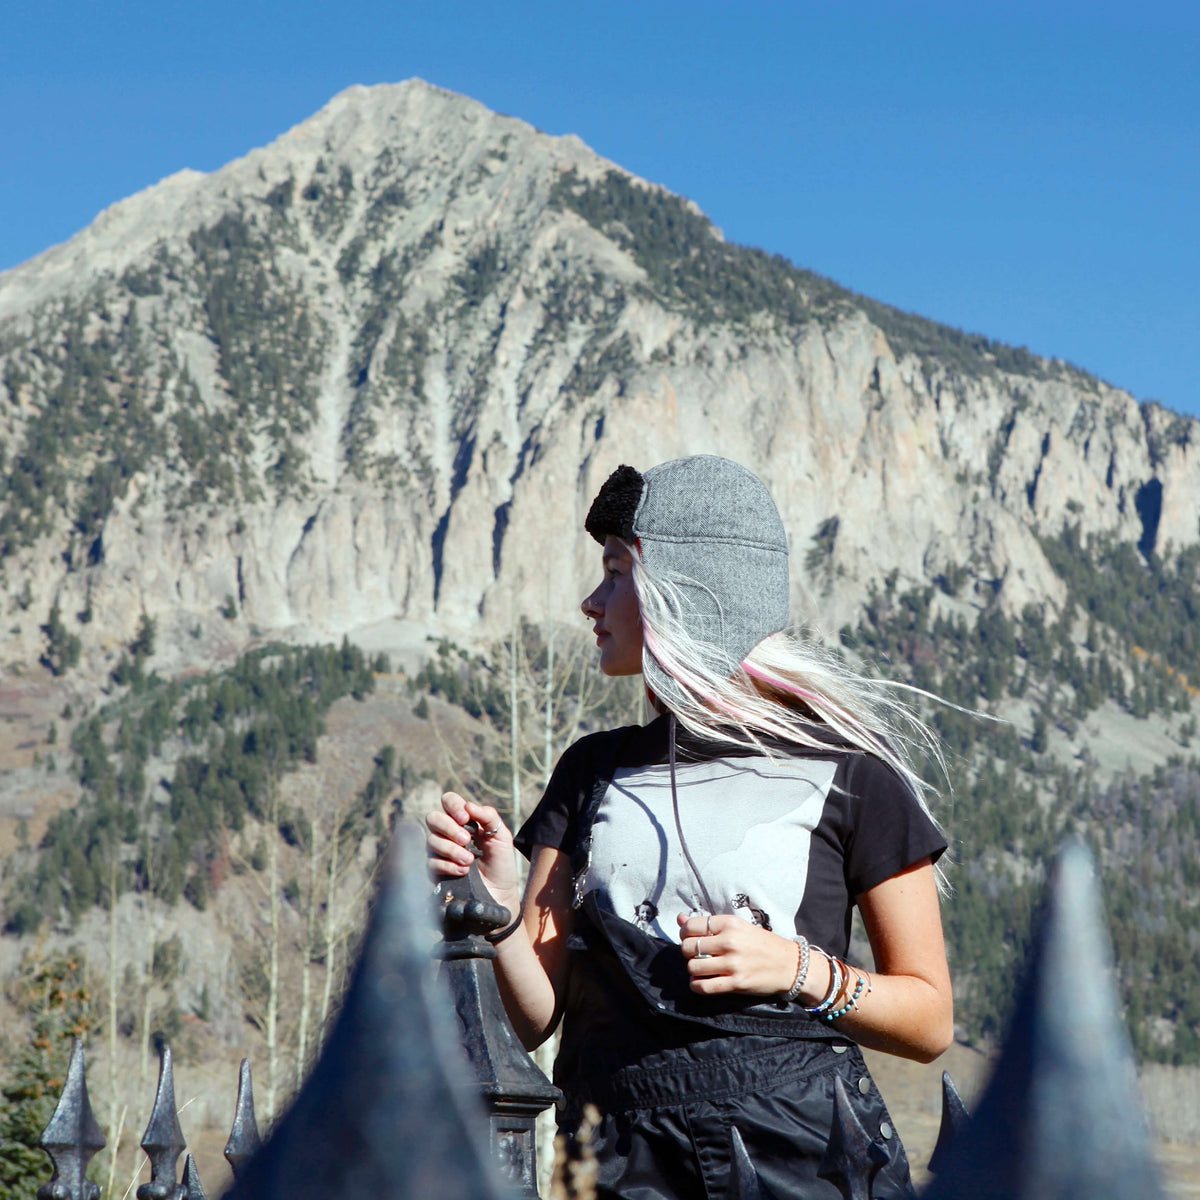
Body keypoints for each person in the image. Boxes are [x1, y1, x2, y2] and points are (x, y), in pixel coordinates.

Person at [426, 456, 953, 1199]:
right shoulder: (589, 772)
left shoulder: (853, 775)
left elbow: (930, 1020)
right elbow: (534, 1018)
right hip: (611, 1158)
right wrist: (503, 904)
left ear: (688, 593)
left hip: (803, 1160)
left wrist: (794, 969)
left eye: (615, 572)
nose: (590, 600)